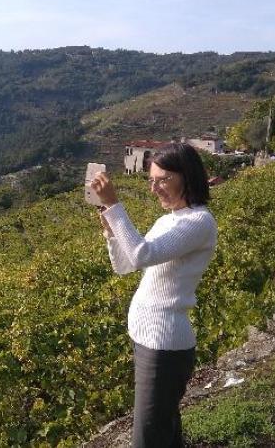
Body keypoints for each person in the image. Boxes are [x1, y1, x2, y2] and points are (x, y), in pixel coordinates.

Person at [90, 143, 217, 448]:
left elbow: (140, 254)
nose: (154, 189)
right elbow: (124, 265)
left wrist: (114, 206)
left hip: (164, 344)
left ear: (186, 176)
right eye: (151, 181)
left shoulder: (198, 221)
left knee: (147, 438)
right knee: (164, 431)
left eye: (162, 180)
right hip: (148, 338)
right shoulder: (168, 220)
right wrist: (111, 231)